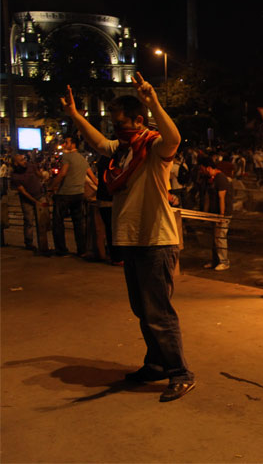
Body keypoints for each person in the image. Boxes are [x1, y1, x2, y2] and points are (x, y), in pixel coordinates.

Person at [60, 73, 195, 402]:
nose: (115, 131)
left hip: (155, 241)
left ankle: (180, 372)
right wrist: (75, 115)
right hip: (132, 241)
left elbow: (174, 138)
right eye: (113, 125)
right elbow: (96, 142)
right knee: (142, 310)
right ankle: (156, 364)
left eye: (120, 124)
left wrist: (154, 103)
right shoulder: (122, 150)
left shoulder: (152, 147)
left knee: (158, 312)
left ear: (138, 121)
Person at [50, 135, 96, 257]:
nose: (64, 144)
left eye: (66, 142)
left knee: (58, 223)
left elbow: (63, 173)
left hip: (65, 194)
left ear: (73, 144)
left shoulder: (67, 156)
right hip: (79, 194)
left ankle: (61, 250)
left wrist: (52, 185)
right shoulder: (83, 159)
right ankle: (81, 249)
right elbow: (93, 178)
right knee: (78, 224)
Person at [198, 156, 232, 271]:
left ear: (208, 168)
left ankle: (224, 262)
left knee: (220, 238)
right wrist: (206, 213)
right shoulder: (210, 179)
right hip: (214, 214)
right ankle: (215, 261)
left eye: (202, 169)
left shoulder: (221, 178)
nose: (201, 171)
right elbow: (208, 197)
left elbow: (221, 197)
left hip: (222, 214)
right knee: (214, 238)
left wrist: (221, 215)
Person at [10, 153, 48, 252]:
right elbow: (23, 192)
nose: (24, 161)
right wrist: (35, 201)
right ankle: (29, 243)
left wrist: (40, 173)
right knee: (28, 221)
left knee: (42, 220)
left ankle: (43, 242)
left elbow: (40, 176)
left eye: (24, 159)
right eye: (21, 160)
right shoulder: (15, 176)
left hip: (39, 195)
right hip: (27, 200)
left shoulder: (31, 166)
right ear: (16, 163)